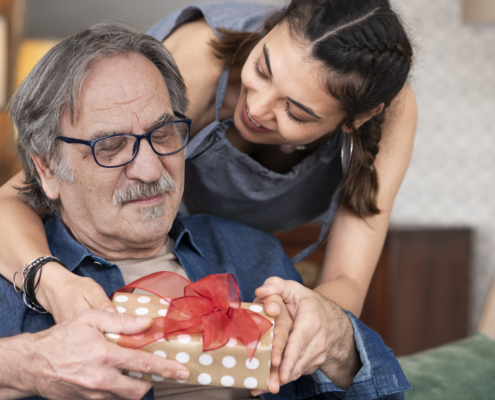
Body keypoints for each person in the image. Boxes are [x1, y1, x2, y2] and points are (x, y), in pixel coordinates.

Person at [0, 0, 417, 384]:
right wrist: (50, 283)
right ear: (269, 29)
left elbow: (346, 283)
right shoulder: (192, 64)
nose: (256, 108)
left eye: (295, 111)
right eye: (263, 70)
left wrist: (307, 329)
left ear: (357, 119)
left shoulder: (259, 256)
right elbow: (20, 193)